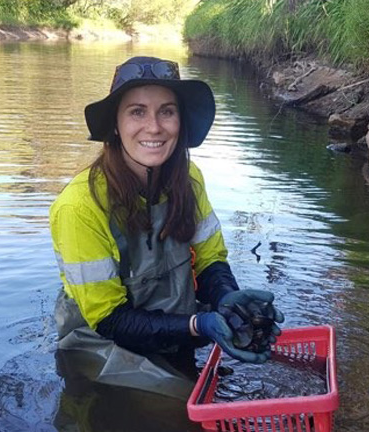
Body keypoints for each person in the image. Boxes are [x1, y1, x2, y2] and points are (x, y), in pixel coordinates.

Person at [49, 56, 283, 399]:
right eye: (137, 112)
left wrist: (227, 299)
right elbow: (110, 320)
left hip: (174, 333)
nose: (154, 127)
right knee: (181, 413)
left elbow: (209, 261)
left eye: (167, 111)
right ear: (115, 124)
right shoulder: (79, 207)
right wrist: (199, 325)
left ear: (180, 121)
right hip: (101, 345)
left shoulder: (190, 181)